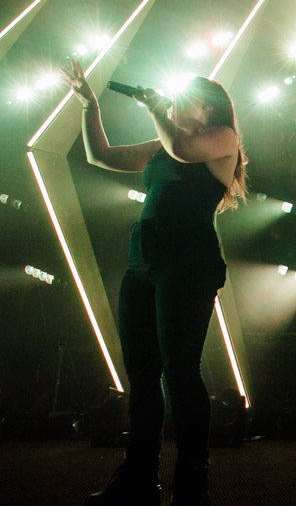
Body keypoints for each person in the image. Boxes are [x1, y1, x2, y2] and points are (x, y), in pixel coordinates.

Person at [60, 60, 247, 506]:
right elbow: (101, 156)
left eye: (186, 99)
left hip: (188, 263)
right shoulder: (165, 141)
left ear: (208, 107)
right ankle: (139, 479)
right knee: (142, 375)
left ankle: (191, 485)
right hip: (142, 259)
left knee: (181, 372)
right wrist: (89, 106)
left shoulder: (223, 138)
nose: (176, 104)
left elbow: (182, 149)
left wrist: (154, 108)